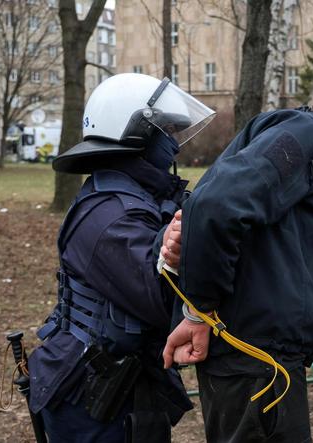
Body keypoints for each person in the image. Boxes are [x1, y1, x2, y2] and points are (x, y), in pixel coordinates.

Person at [160, 73, 313, 442]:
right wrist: (198, 312)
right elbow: (215, 207)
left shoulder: (310, 157)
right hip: (257, 365)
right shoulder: (306, 135)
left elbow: (261, 237)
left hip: (264, 364)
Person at [27, 73, 215, 443]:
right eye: (165, 130)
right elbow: (166, 301)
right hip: (93, 397)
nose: (173, 143)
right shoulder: (111, 216)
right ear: (135, 134)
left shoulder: (139, 196)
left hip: (125, 386)